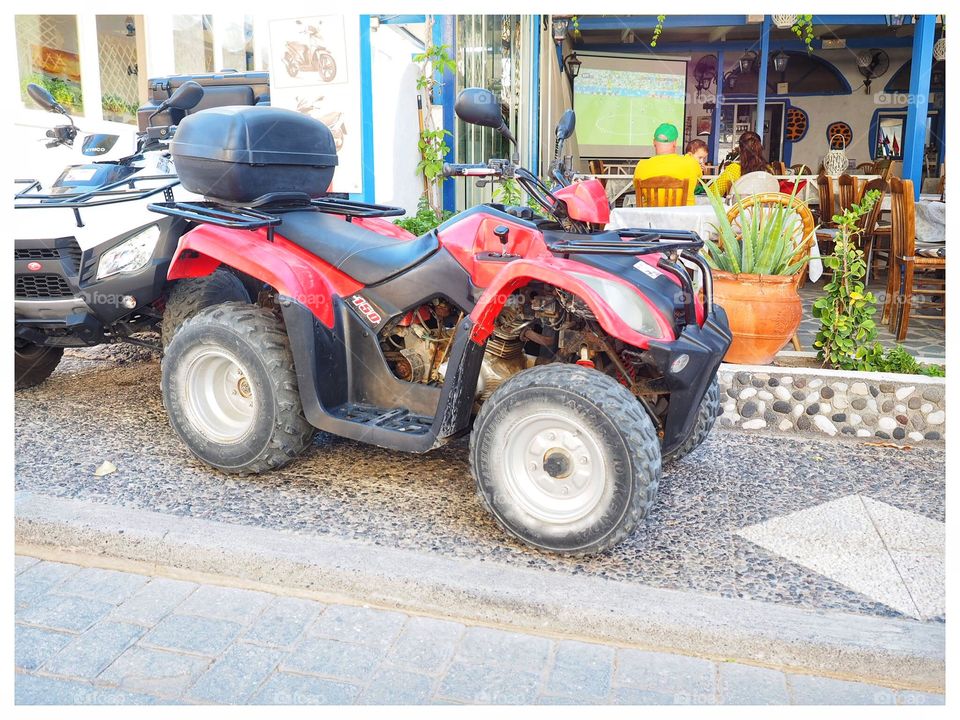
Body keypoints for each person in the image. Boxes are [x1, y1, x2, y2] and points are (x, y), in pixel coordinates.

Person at [633, 123, 702, 206]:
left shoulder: (641, 166)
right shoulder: (692, 163)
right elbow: (697, 183)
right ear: (675, 143)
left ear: (654, 142)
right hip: (683, 218)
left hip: (650, 218)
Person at [712, 131, 772, 196]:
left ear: (740, 149)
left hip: (739, 205)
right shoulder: (768, 170)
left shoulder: (733, 169)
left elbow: (713, 193)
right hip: (764, 205)